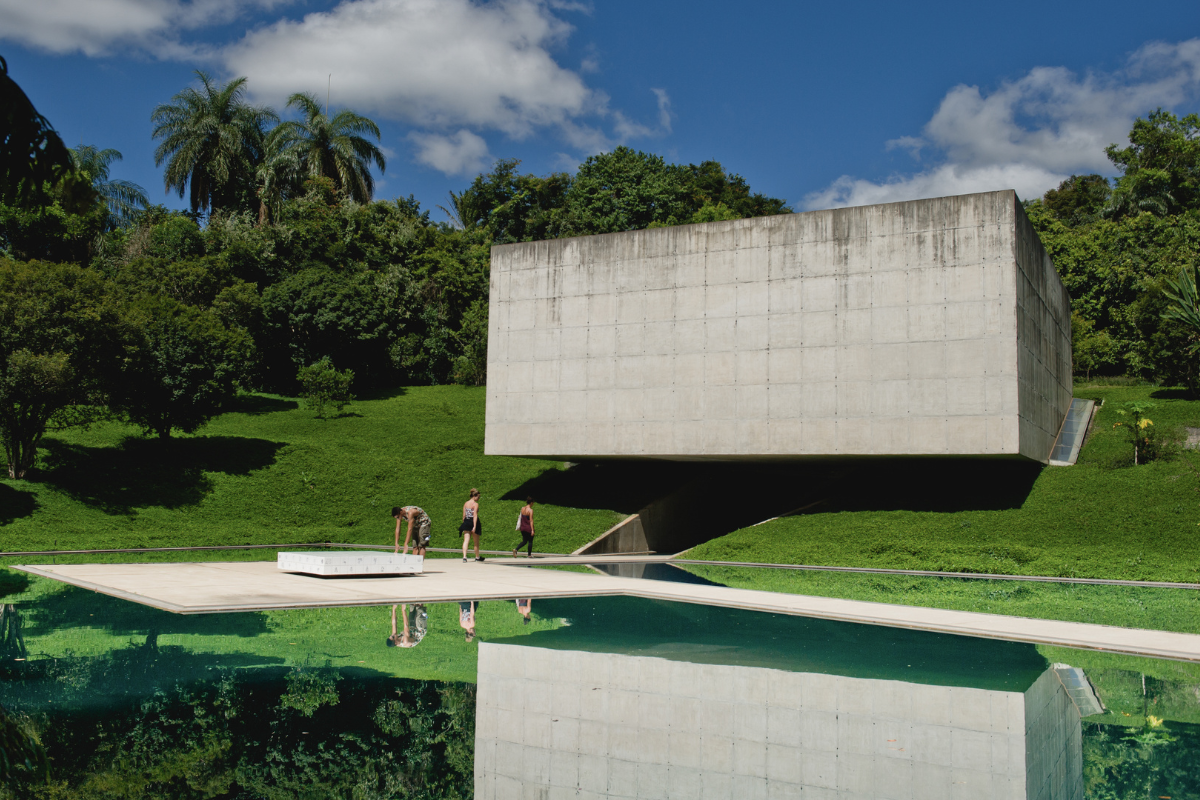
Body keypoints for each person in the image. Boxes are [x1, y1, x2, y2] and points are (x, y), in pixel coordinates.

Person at [460, 488, 483, 562]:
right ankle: (477, 557)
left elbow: (464, 515)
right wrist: (474, 526)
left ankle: (464, 557)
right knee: (476, 542)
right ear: (475, 496)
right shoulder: (475, 504)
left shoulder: (466, 503)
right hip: (473, 522)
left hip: (466, 521)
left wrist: (465, 523)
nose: (478, 499)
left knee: (466, 540)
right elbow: (475, 515)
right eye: (478, 497)